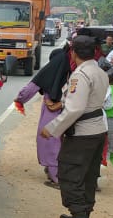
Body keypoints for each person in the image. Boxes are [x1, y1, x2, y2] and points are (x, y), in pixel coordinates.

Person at [41, 36, 109, 218]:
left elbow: (76, 108)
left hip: (82, 132)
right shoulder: (99, 71)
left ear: (73, 53)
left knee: (70, 173)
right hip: (98, 129)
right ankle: (82, 216)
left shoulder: (80, 75)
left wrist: (52, 128)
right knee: (88, 174)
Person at [15, 43, 73, 187]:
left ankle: (56, 177)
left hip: (52, 110)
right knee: (55, 142)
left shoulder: (50, 72)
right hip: (65, 110)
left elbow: (31, 88)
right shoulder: (67, 72)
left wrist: (20, 99)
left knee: (50, 141)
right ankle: (53, 171)